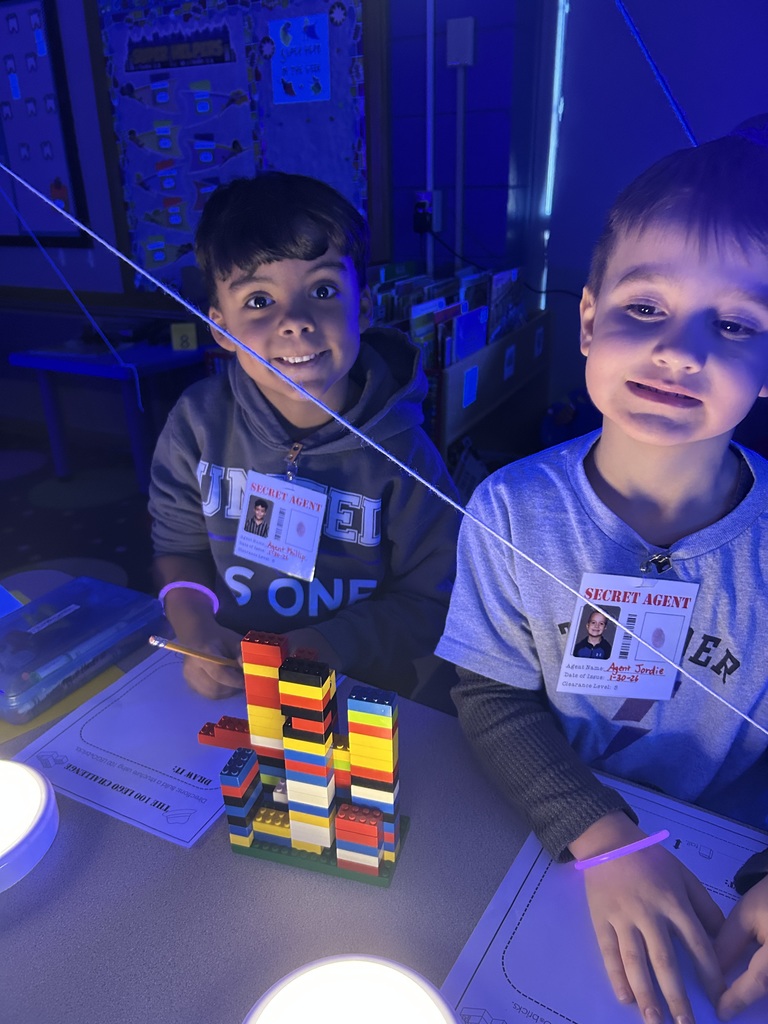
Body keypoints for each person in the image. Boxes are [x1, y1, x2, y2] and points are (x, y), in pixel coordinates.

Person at [436, 118, 768, 1023]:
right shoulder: (508, 509)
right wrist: (604, 839)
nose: (681, 351)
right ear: (587, 320)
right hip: (553, 842)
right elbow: (492, 696)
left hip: (732, 876)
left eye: (735, 323)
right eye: (646, 309)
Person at [150, 172, 458, 702]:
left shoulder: (406, 455)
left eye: (322, 290)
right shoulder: (195, 424)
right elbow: (178, 546)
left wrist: (324, 645)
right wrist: (195, 626)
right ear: (220, 328)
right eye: (258, 301)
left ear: (362, 307)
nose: (295, 321)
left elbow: (437, 597)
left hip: (362, 688)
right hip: (234, 681)